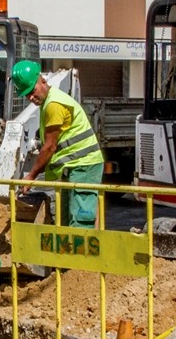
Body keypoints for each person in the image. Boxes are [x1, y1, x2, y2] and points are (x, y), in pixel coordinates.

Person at [10, 60, 106, 229]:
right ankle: (67, 253)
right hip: (74, 166)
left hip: (84, 165)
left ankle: (80, 254)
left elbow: (50, 147)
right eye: (26, 95)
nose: (31, 97)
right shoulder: (48, 102)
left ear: (43, 81)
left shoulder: (54, 105)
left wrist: (31, 176)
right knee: (64, 219)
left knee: (80, 220)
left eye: (32, 91)